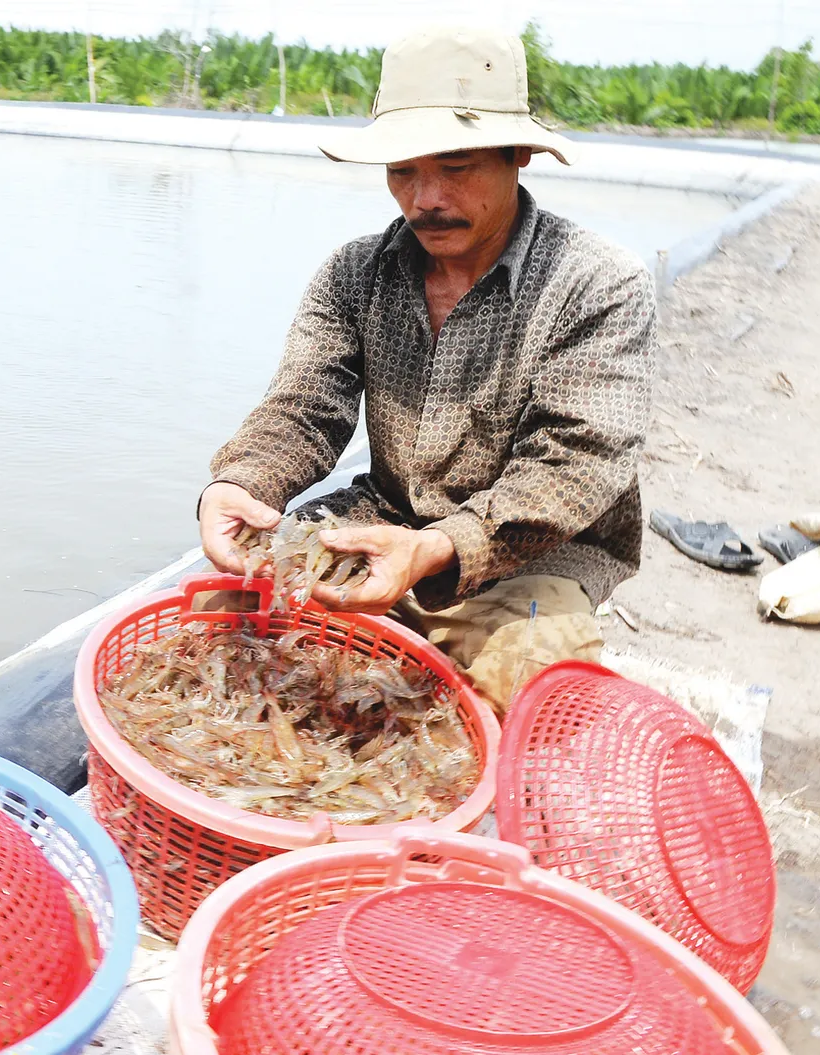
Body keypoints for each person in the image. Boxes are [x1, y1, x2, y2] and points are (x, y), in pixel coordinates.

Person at [198, 27, 657, 714]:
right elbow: (303, 408)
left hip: (531, 553)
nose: (426, 198)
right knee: (225, 612)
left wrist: (438, 546)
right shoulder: (354, 274)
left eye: (456, 165)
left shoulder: (597, 283)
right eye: (403, 170)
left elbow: (576, 463)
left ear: (518, 155)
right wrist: (237, 483)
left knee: (535, 678)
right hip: (386, 518)